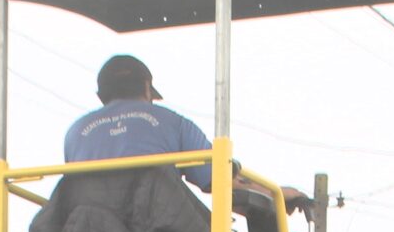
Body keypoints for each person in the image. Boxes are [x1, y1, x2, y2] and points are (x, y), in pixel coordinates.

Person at [63, 55, 310, 210]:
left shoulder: (75, 133)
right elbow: (222, 181)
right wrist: (276, 194)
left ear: (100, 95)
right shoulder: (172, 122)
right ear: (147, 88)